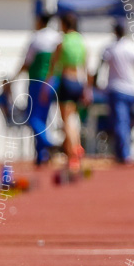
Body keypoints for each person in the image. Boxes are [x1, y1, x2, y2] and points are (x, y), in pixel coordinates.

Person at [42, 13, 89, 171]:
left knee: (66, 120)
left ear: (64, 25)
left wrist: (45, 86)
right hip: (79, 81)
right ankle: (77, 146)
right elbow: (86, 66)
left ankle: (72, 154)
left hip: (66, 80)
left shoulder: (62, 42)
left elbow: (53, 67)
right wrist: (87, 88)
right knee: (73, 118)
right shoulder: (81, 42)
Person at [94, 21, 134, 164]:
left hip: (117, 89)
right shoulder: (131, 47)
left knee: (121, 122)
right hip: (131, 89)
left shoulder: (110, 48)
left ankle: (124, 154)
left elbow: (100, 66)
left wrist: (96, 82)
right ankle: (123, 152)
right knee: (126, 122)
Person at [17, 12, 62, 166]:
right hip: (53, 82)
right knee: (43, 117)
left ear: (40, 21)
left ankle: (47, 142)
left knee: (33, 118)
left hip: (37, 81)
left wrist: (13, 77)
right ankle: (41, 156)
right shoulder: (57, 37)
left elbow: (27, 62)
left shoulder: (36, 38)